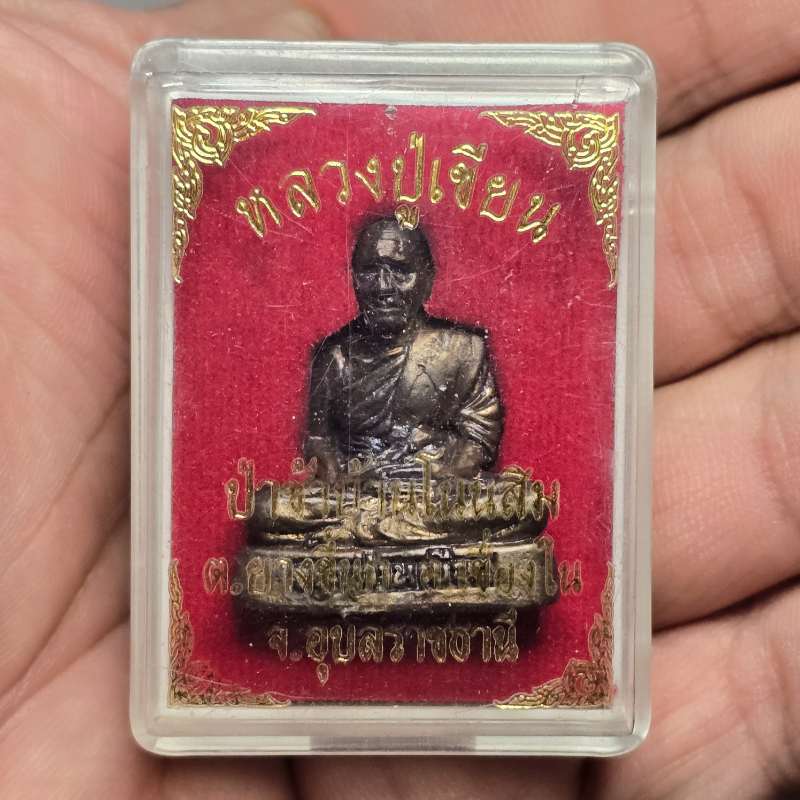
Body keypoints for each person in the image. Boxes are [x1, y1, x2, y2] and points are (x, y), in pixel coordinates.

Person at [2, 1, 799, 798]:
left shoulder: (463, 349)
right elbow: (320, 445)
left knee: (510, 510)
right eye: (370, 269)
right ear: (354, 276)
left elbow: (481, 434)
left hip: (442, 503)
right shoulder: (332, 355)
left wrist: (432, 473)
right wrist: (345, 479)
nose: (383, 283)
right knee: (277, 514)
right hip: (351, 509)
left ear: (425, 278)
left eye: (399, 269)